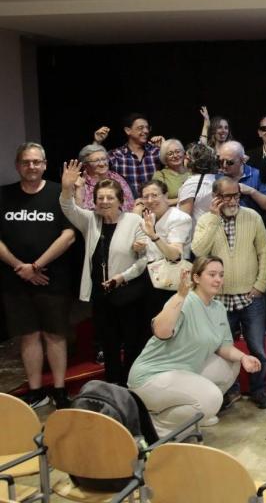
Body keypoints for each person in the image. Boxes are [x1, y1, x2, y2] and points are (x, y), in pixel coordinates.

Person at [128, 257, 261, 436]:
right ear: (196, 278)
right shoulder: (184, 301)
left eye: (221, 275)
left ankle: (195, 414)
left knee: (232, 363)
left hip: (182, 372)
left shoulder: (218, 308)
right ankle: (156, 425)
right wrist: (180, 295)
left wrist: (244, 357)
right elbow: (161, 331)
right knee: (212, 399)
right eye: (212, 274)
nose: (218, 279)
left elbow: (224, 347)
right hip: (152, 376)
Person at [0, 143, 76, 408]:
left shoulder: (59, 193)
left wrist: (36, 266)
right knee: (28, 335)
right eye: (26, 162)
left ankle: (59, 389)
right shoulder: (4, 195)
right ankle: (35, 392)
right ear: (17, 165)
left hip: (53, 278)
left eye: (36, 162)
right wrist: (21, 267)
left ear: (44, 164)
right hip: (15, 279)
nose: (31, 166)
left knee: (55, 334)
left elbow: (69, 235)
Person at [60, 161, 150, 385]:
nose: (105, 202)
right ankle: (113, 384)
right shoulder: (91, 220)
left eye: (110, 197)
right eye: (100, 198)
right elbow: (68, 207)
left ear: (120, 200)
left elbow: (144, 259)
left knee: (132, 343)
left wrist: (122, 277)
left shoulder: (134, 221)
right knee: (108, 343)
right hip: (102, 295)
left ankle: (131, 384)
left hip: (130, 293)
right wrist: (66, 187)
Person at [191, 177, 266, 410]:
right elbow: (198, 251)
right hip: (219, 299)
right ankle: (230, 391)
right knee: (223, 350)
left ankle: (259, 390)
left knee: (258, 348)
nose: (233, 200)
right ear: (216, 197)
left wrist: (261, 284)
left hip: (250, 295)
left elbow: (264, 252)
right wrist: (215, 219)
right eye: (227, 196)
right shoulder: (207, 220)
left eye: (236, 195)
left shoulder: (252, 216)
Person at [134, 179, 192, 320]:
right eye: (145, 197)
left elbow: (175, 255)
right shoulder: (149, 218)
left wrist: (154, 237)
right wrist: (138, 247)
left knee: (173, 324)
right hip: (153, 278)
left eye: (155, 195)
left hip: (174, 280)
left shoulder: (180, 218)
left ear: (166, 196)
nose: (150, 200)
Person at [96, 113, 164, 199]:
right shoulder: (116, 155)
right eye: (141, 128)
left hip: (153, 204)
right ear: (128, 131)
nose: (146, 131)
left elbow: (179, 166)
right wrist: (97, 143)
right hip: (127, 208)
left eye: (147, 128)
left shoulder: (156, 151)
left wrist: (165, 147)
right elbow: (95, 166)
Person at [74, 144, 135, 212]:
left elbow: (129, 205)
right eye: (96, 161)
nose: (102, 164)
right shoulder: (79, 183)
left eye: (104, 159)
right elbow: (77, 214)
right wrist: (79, 189)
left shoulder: (117, 178)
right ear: (85, 165)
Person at [217, 141, 266, 213]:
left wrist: (252, 192)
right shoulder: (217, 177)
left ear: (243, 160)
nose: (224, 166)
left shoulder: (256, 175)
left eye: (229, 162)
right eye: (221, 161)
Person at [178, 142, 219, 224]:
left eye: (186, 156)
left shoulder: (191, 184)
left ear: (190, 160)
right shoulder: (215, 179)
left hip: (197, 234)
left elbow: (184, 219)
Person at [152, 139, 189, 205]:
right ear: (164, 158)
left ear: (183, 153)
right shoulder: (160, 175)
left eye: (178, 152)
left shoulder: (192, 172)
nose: (175, 156)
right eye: (170, 154)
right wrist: (187, 199)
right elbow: (159, 201)